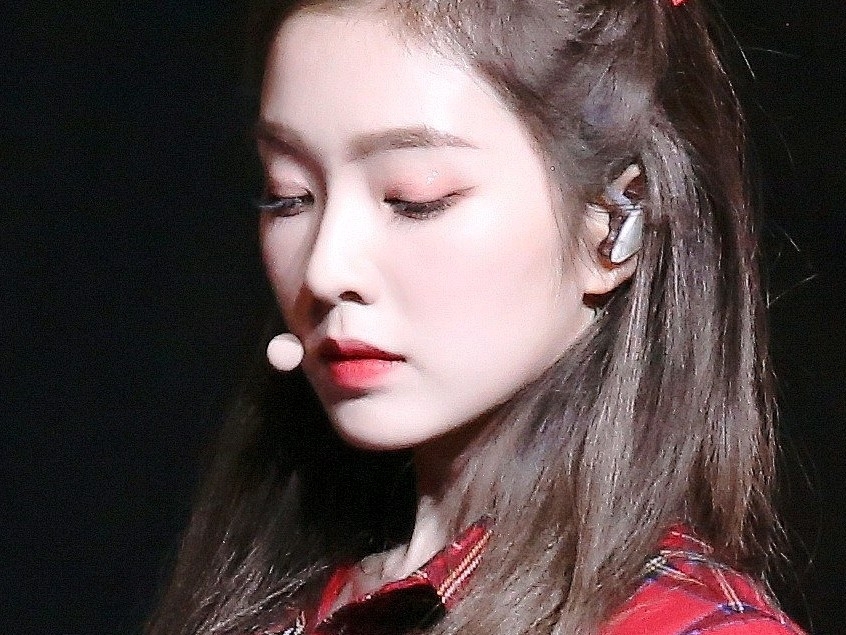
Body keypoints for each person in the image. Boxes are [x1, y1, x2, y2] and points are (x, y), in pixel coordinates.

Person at [146, 1, 807, 634]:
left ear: (614, 221)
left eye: (415, 197)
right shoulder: (280, 591)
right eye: (289, 196)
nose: (324, 268)